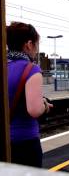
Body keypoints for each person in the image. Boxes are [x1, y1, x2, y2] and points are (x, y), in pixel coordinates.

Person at [7, 22, 53, 167]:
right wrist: (44, 105)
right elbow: (34, 110)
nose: (36, 49)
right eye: (36, 44)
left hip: (5, 142)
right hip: (25, 143)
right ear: (28, 44)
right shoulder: (31, 69)